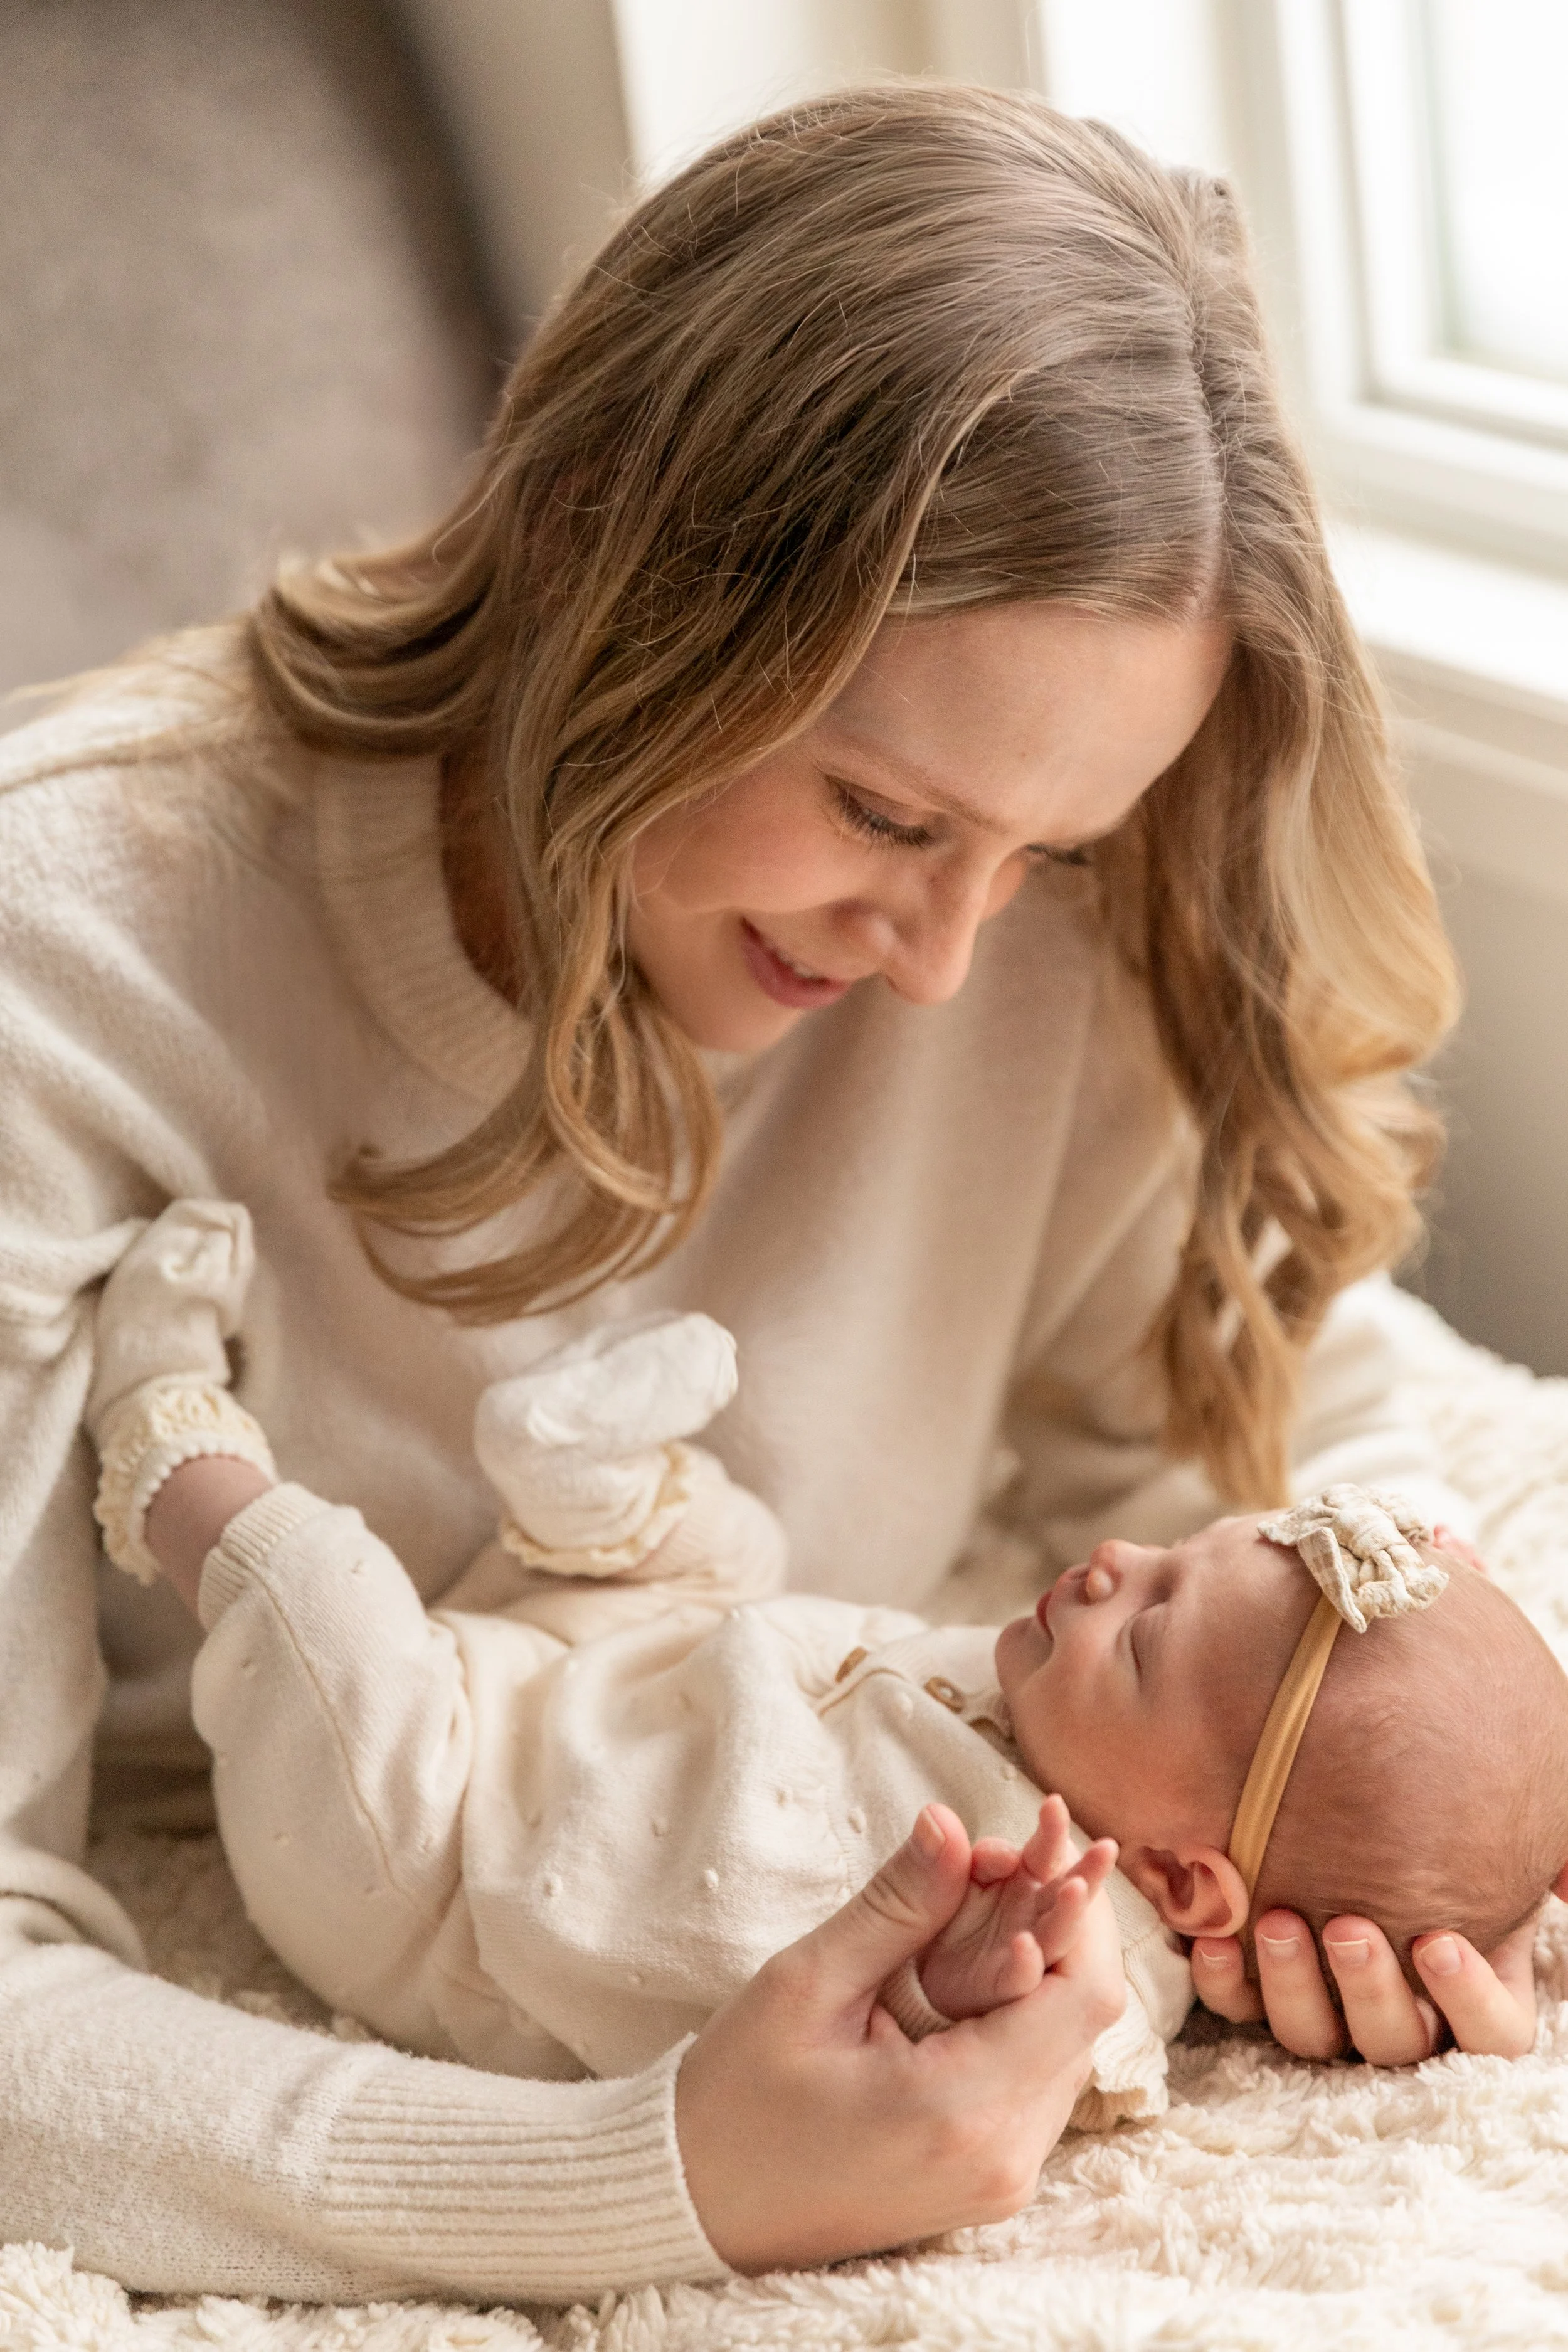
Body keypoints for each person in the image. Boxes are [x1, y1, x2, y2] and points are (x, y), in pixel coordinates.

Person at [0, 84, 1547, 2302]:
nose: (938, 965)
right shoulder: (61, 962)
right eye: (887, 815)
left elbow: (1309, 1436)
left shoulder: (1037, 928)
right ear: (608, 562)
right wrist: (648, 2180)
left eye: (1055, 853)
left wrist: (1439, 1841)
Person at [83, 1212, 1568, 2149]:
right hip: (628, 1692)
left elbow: (1046, 2066)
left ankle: (168, 1436)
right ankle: (581, 1487)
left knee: (321, 1591)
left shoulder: (1075, 1944)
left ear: (1183, 1888)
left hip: (439, 1859)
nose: (1110, 1561)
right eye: (1172, 1551)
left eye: (1147, 1630)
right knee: (738, 1551)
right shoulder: (1070, 1720)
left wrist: (959, 1990)